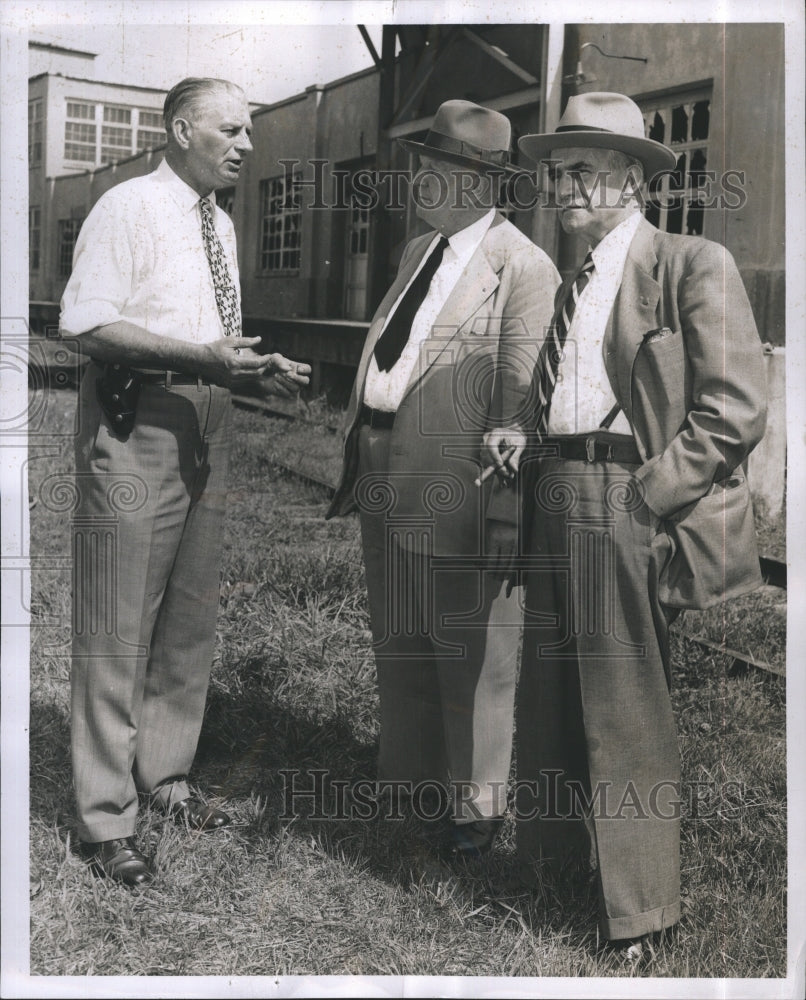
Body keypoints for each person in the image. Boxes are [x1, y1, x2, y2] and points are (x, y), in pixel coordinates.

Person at [483, 91, 767, 948]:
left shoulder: (690, 262)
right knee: (552, 699)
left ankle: (642, 914)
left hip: (627, 501)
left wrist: (649, 496)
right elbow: (575, 397)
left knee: (624, 708)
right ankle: (558, 877)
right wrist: (521, 435)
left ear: (627, 181)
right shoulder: (573, 278)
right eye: (554, 172)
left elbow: (735, 408)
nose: (559, 187)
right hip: (556, 493)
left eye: (576, 172)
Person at [60, 77, 310, 887]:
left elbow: (210, 338)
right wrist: (204, 359)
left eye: (249, 131)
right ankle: (104, 815)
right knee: (118, 617)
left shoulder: (221, 222)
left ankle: (163, 776)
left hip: (206, 419)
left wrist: (247, 372)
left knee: (189, 616)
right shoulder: (126, 208)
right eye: (230, 131)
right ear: (178, 130)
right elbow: (84, 323)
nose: (245, 145)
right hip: (140, 422)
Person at [327, 100, 559, 857]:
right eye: (423, 164)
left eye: (435, 167)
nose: (419, 177)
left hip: (459, 480)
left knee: (472, 651)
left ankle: (478, 808)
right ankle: (413, 781)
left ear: (481, 181)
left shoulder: (524, 268)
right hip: (385, 463)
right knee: (399, 635)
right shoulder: (418, 250)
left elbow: (519, 404)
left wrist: (501, 504)